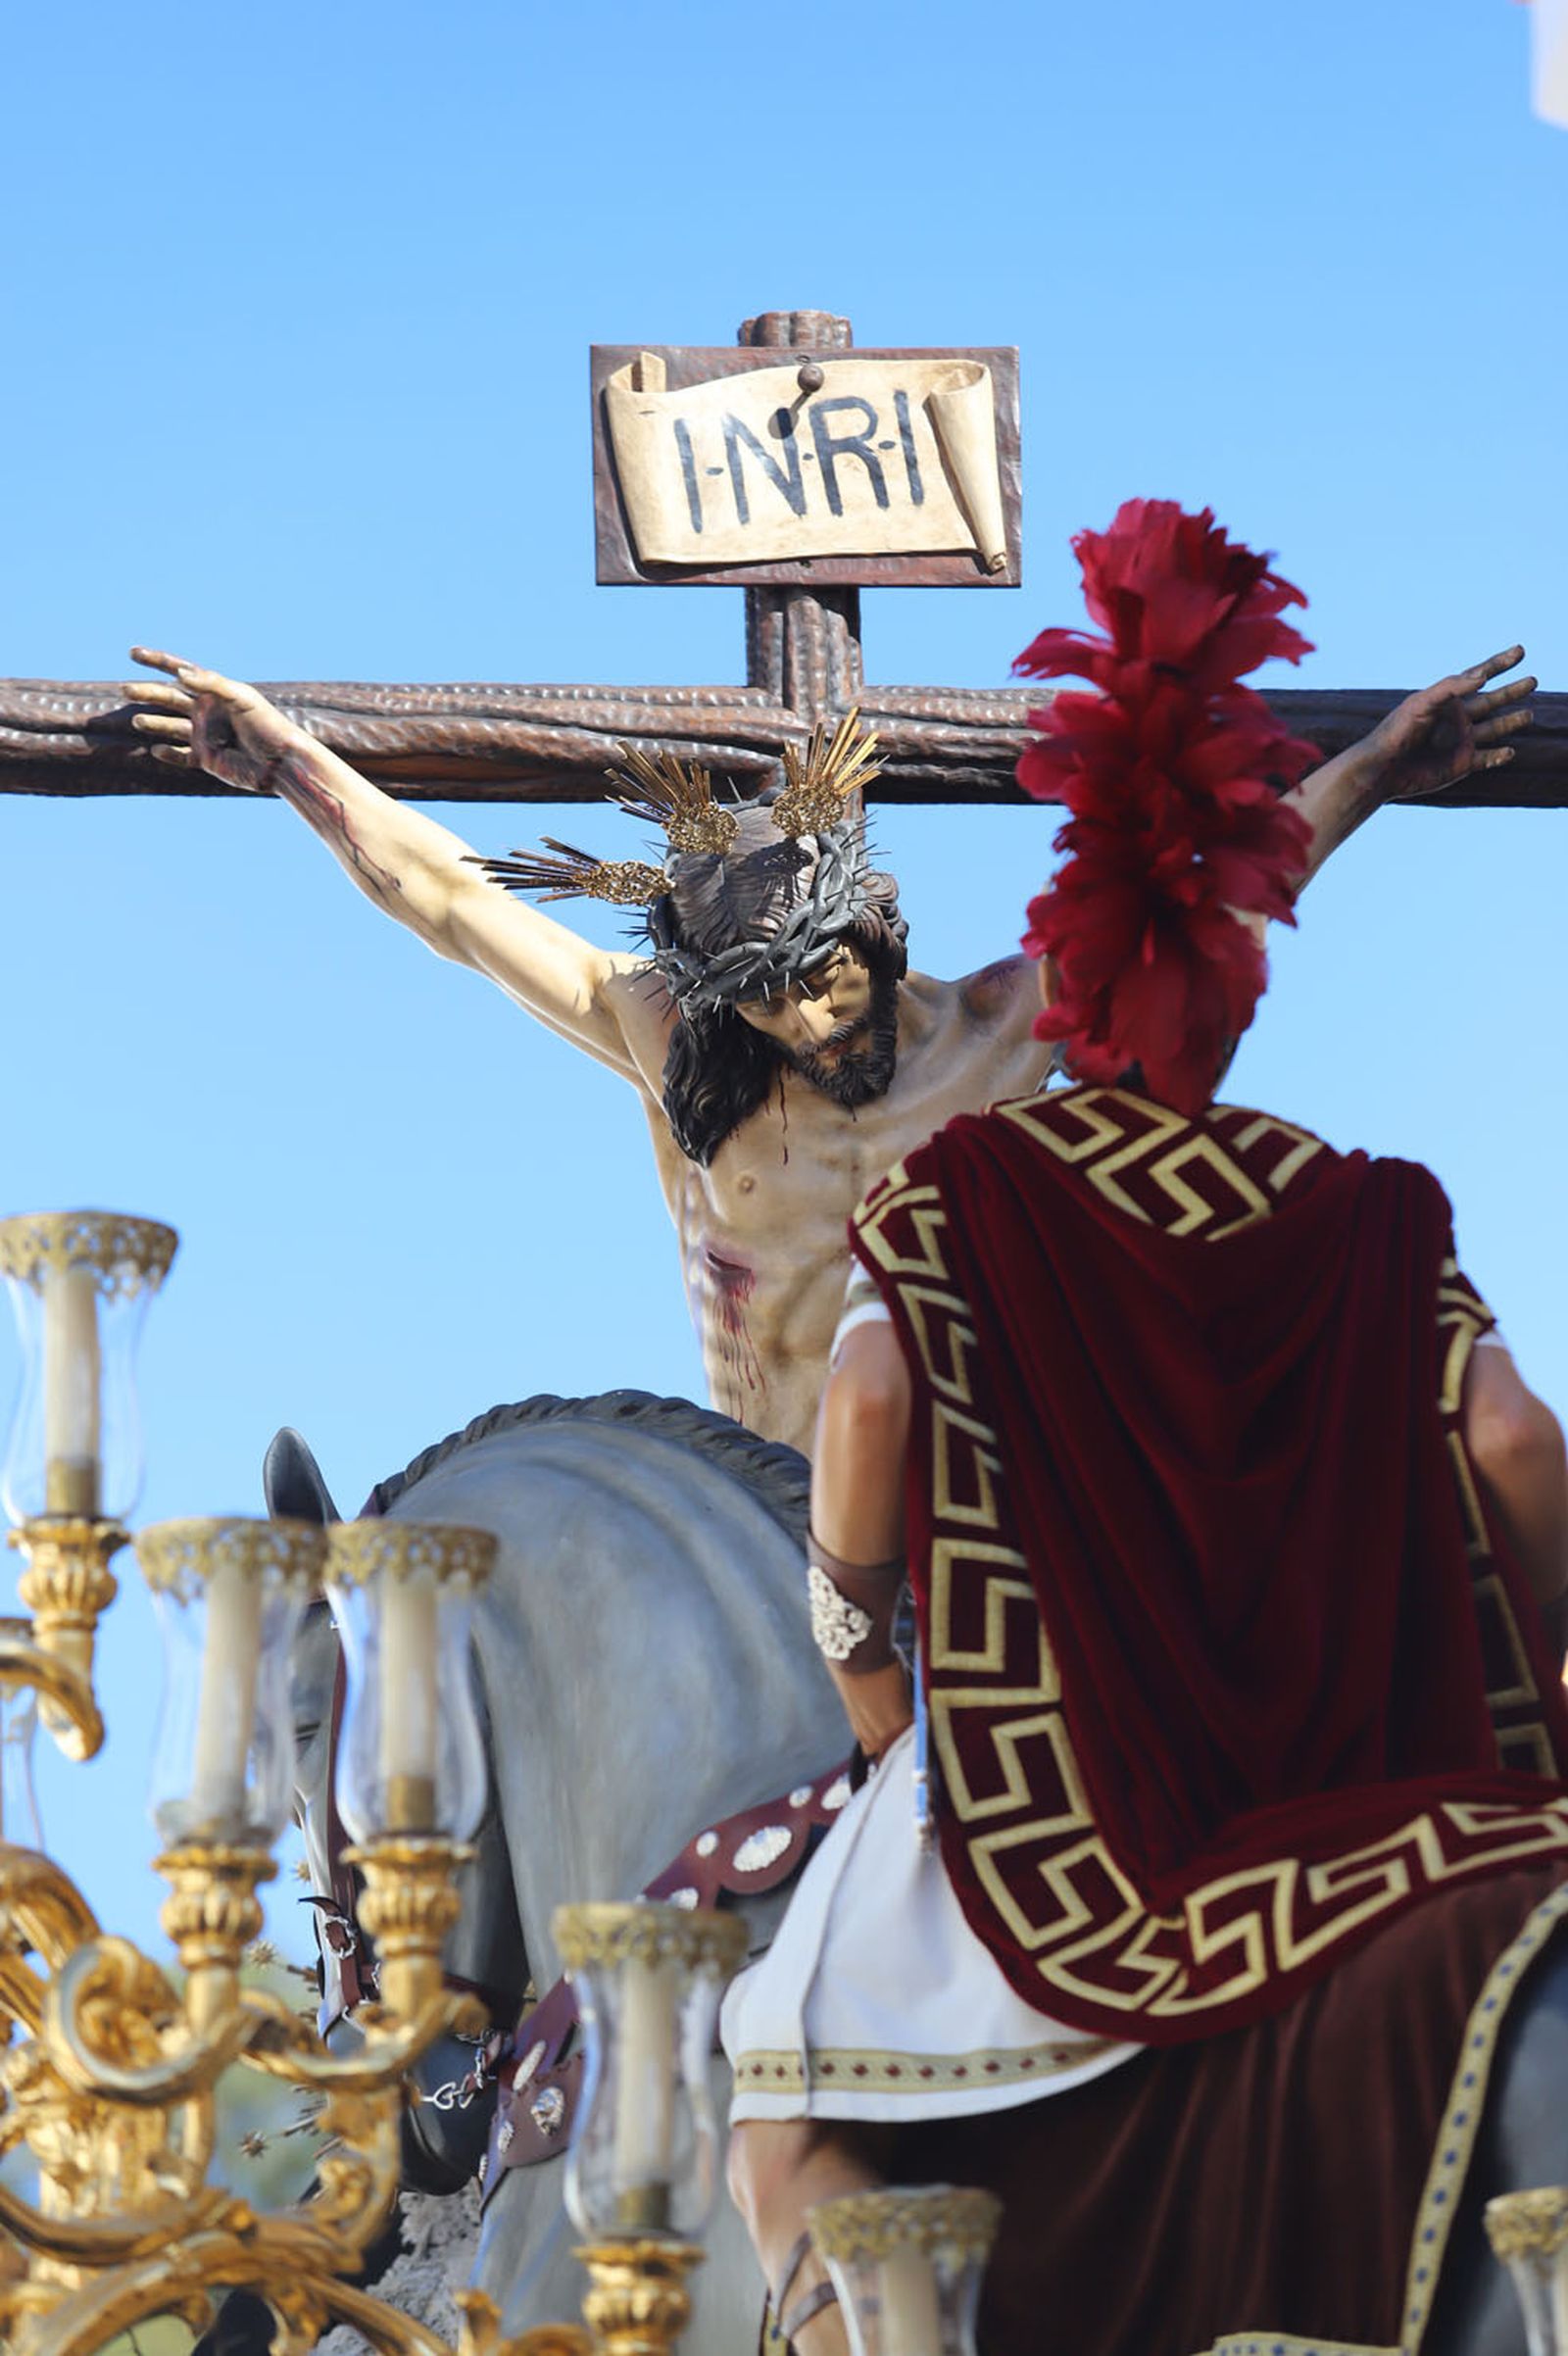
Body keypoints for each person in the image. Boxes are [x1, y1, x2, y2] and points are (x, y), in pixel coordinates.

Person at [720, 503, 1568, 2356]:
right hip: (1400, 1793)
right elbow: (1517, 1447)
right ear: (1237, 1003)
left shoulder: (965, 1191)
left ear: (1065, 996)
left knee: (773, 2096)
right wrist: (1537, 1686)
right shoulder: (1365, 1211)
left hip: (1068, 1831)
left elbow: (864, 1404)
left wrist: (872, 1692)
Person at [126, 628, 1532, 1456]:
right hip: (766, 1508)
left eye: (823, 976)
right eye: (765, 997)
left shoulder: (999, 1026)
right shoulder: (677, 1045)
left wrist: (1378, 771)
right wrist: (293, 765)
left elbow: (1216, 898)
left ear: (880, 932)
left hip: (991, 1501)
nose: (803, 1016)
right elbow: (449, 897)